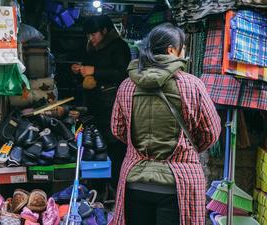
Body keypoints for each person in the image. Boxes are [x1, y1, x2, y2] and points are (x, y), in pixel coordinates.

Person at [111, 23, 221, 225]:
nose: (185, 52)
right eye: (184, 48)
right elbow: (211, 133)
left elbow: (117, 130)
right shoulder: (191, 85)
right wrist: (186, 151)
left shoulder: (126, 86)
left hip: (135, 181)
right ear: (172, 50)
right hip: (179, 184)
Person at [71, 15, 131, 191]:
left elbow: (123, 73)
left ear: (104, 31)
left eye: (94, 34)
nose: (91, 39)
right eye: (88, 35)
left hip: (112, 106)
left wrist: (95, 71)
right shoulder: (91, 48)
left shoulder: (119, 46)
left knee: (113, 147)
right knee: (95, 147)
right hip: (95, 106)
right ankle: (97, 188)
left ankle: (115, 188)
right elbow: (88, 72)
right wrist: (78, 70)